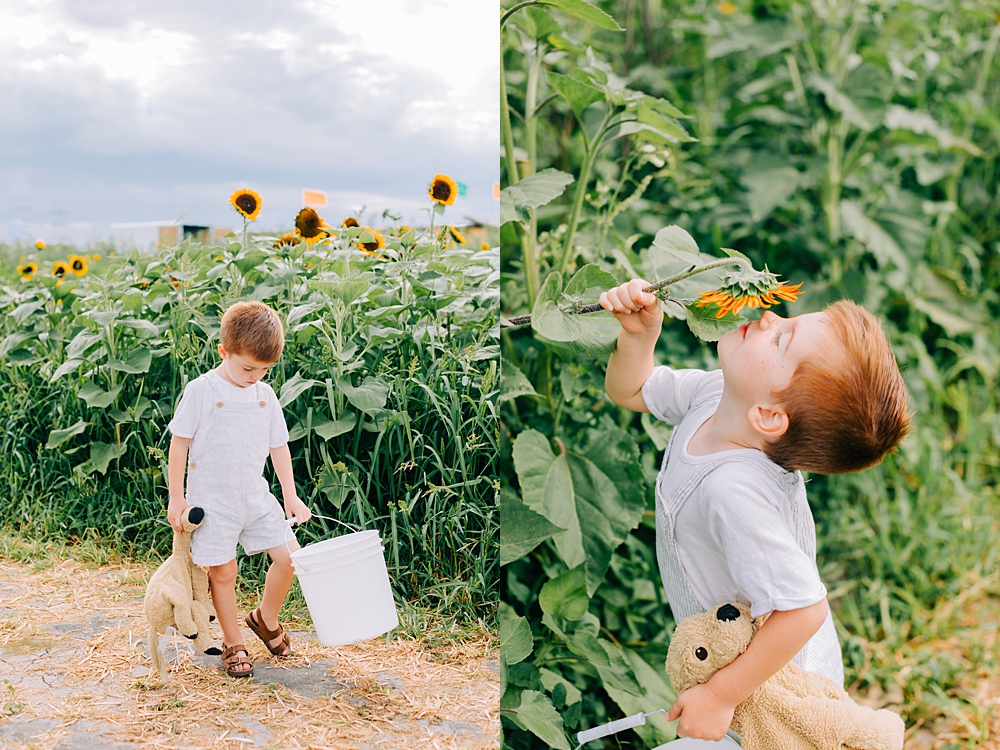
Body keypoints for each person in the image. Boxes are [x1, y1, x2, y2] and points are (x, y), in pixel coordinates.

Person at [599, 279, 910, 743]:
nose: (769, 317)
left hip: (781, 689)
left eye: (782, 337)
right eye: (787, 321)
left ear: (769, 415)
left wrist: (719, 696)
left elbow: (804, 610)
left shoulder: (735, 491)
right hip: (741, 662)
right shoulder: (715, 397)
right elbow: (632, 390)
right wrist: (638, 337)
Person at [166, 300, 312, 678]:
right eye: (247, 367)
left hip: (256, 498)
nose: (254, 376)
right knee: (224, 572)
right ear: (223, 351)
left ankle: (265, 618)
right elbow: (179, 443)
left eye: (264, 370)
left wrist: (290, 495)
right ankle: (233, 642)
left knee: (290, 559)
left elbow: (278, 446)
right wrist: (177, 497)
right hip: (212, 504)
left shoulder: (265, 395)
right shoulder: (202, 390)